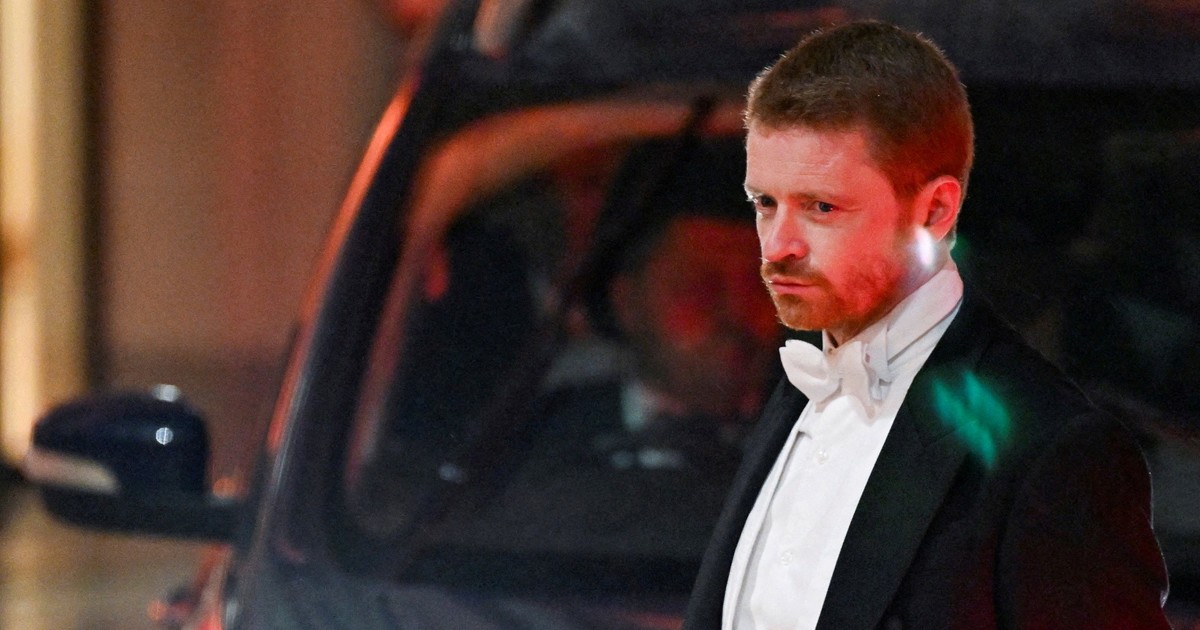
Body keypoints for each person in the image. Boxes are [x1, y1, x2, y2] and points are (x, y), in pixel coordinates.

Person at [683, 20, 1171, 629]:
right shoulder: (792, 391)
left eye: (822, 207)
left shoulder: (1056, 453)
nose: (778, 245)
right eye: (765, 203)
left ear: (935, 210)